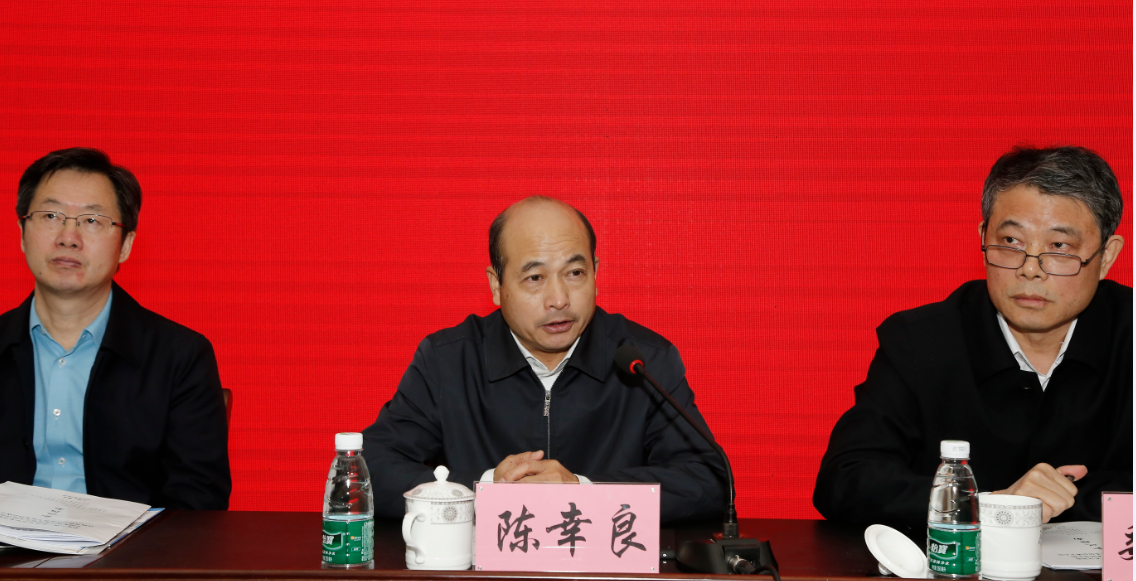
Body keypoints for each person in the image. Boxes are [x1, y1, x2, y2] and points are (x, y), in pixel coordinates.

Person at [813, 146, 1130, 529]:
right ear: (983, 238)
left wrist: (1053, 503)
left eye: (1059, 247)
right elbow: (846, 480)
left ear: (1106, 256)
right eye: (1011, 242)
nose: (1030, 269)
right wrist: (991, 506)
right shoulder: (921, 342)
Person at [362, 196, 726, 522]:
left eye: (575, 273)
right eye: (535, 277)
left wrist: (583, 491)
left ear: (596, 273)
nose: (559, 299)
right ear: (496, 285)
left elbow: (709, 480)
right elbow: (369, 471)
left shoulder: (642, 360)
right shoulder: (449, 360)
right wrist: (487, 489)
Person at [0, 147, 231, 509]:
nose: (68, 237)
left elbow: (198, 503)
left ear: (125, 245)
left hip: (132, 546)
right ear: (22, 232)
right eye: (51, 215)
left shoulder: (179, 357)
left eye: (92, 221)